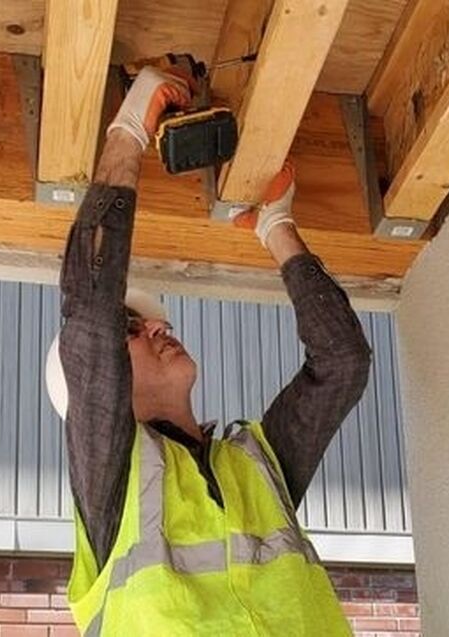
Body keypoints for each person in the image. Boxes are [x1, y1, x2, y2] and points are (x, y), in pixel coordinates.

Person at [45, 66, 371, 636]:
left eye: (151, 320)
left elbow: (342, 361)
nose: (157, 327)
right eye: (132, 328)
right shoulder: (111, 477)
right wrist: (129, 129)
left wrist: (277, 226)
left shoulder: (255, 464)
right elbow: (90, 312)